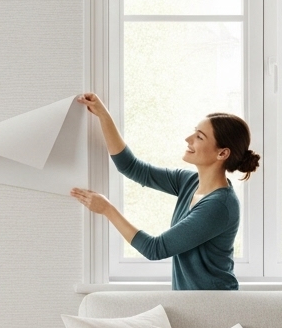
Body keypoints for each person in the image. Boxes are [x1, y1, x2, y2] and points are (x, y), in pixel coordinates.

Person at [70, 93, 260, 291]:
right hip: (191, 302)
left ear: (222, 153)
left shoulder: (219, 206)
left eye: (199, 137)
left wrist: (107, 209)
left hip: (213, 304)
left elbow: (155, 249)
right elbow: (131, 167)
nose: (188, 139)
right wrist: (103, 114)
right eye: (194, 132)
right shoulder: (190, 182)